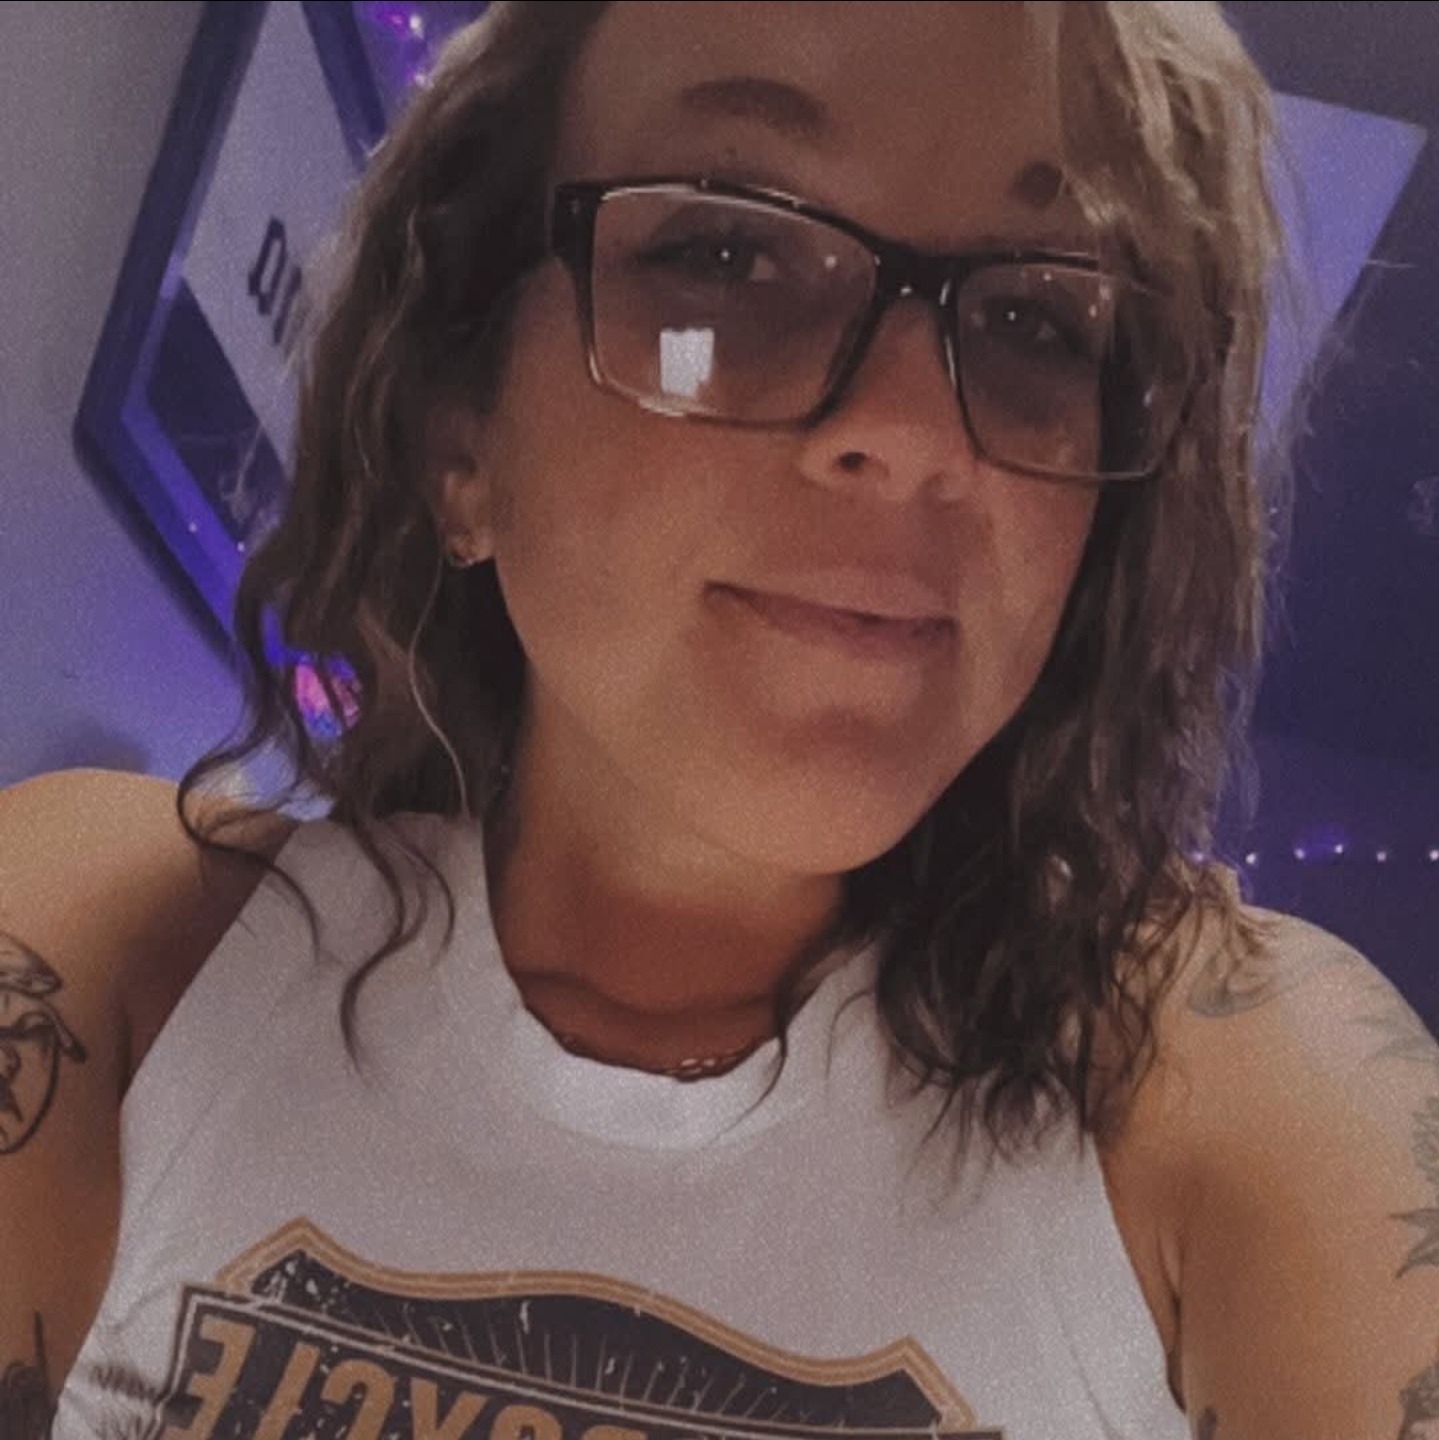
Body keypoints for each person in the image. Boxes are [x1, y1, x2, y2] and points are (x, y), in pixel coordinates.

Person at [2, 2, 1435, 1437]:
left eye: (1035, 321)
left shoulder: (1243, 1096)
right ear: (460, 434)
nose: (916, 432)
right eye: (730, 250)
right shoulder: (110, 957)